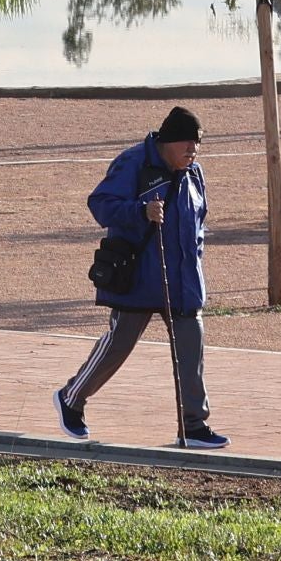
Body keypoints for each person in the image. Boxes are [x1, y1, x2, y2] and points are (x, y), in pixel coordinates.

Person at [54, 105, 228, 450]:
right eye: (187, 144)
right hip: (138, 277)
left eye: (197, 144)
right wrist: (140, 211)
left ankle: (193, 426)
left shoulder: (195, 174)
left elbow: (199, 223)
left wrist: (196, 259)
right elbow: (100, 204)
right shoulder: (133, 162)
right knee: (118, 346)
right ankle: (72, 398)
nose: (193, 151)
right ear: (167, 143)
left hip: (183, 282)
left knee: (191, 350)